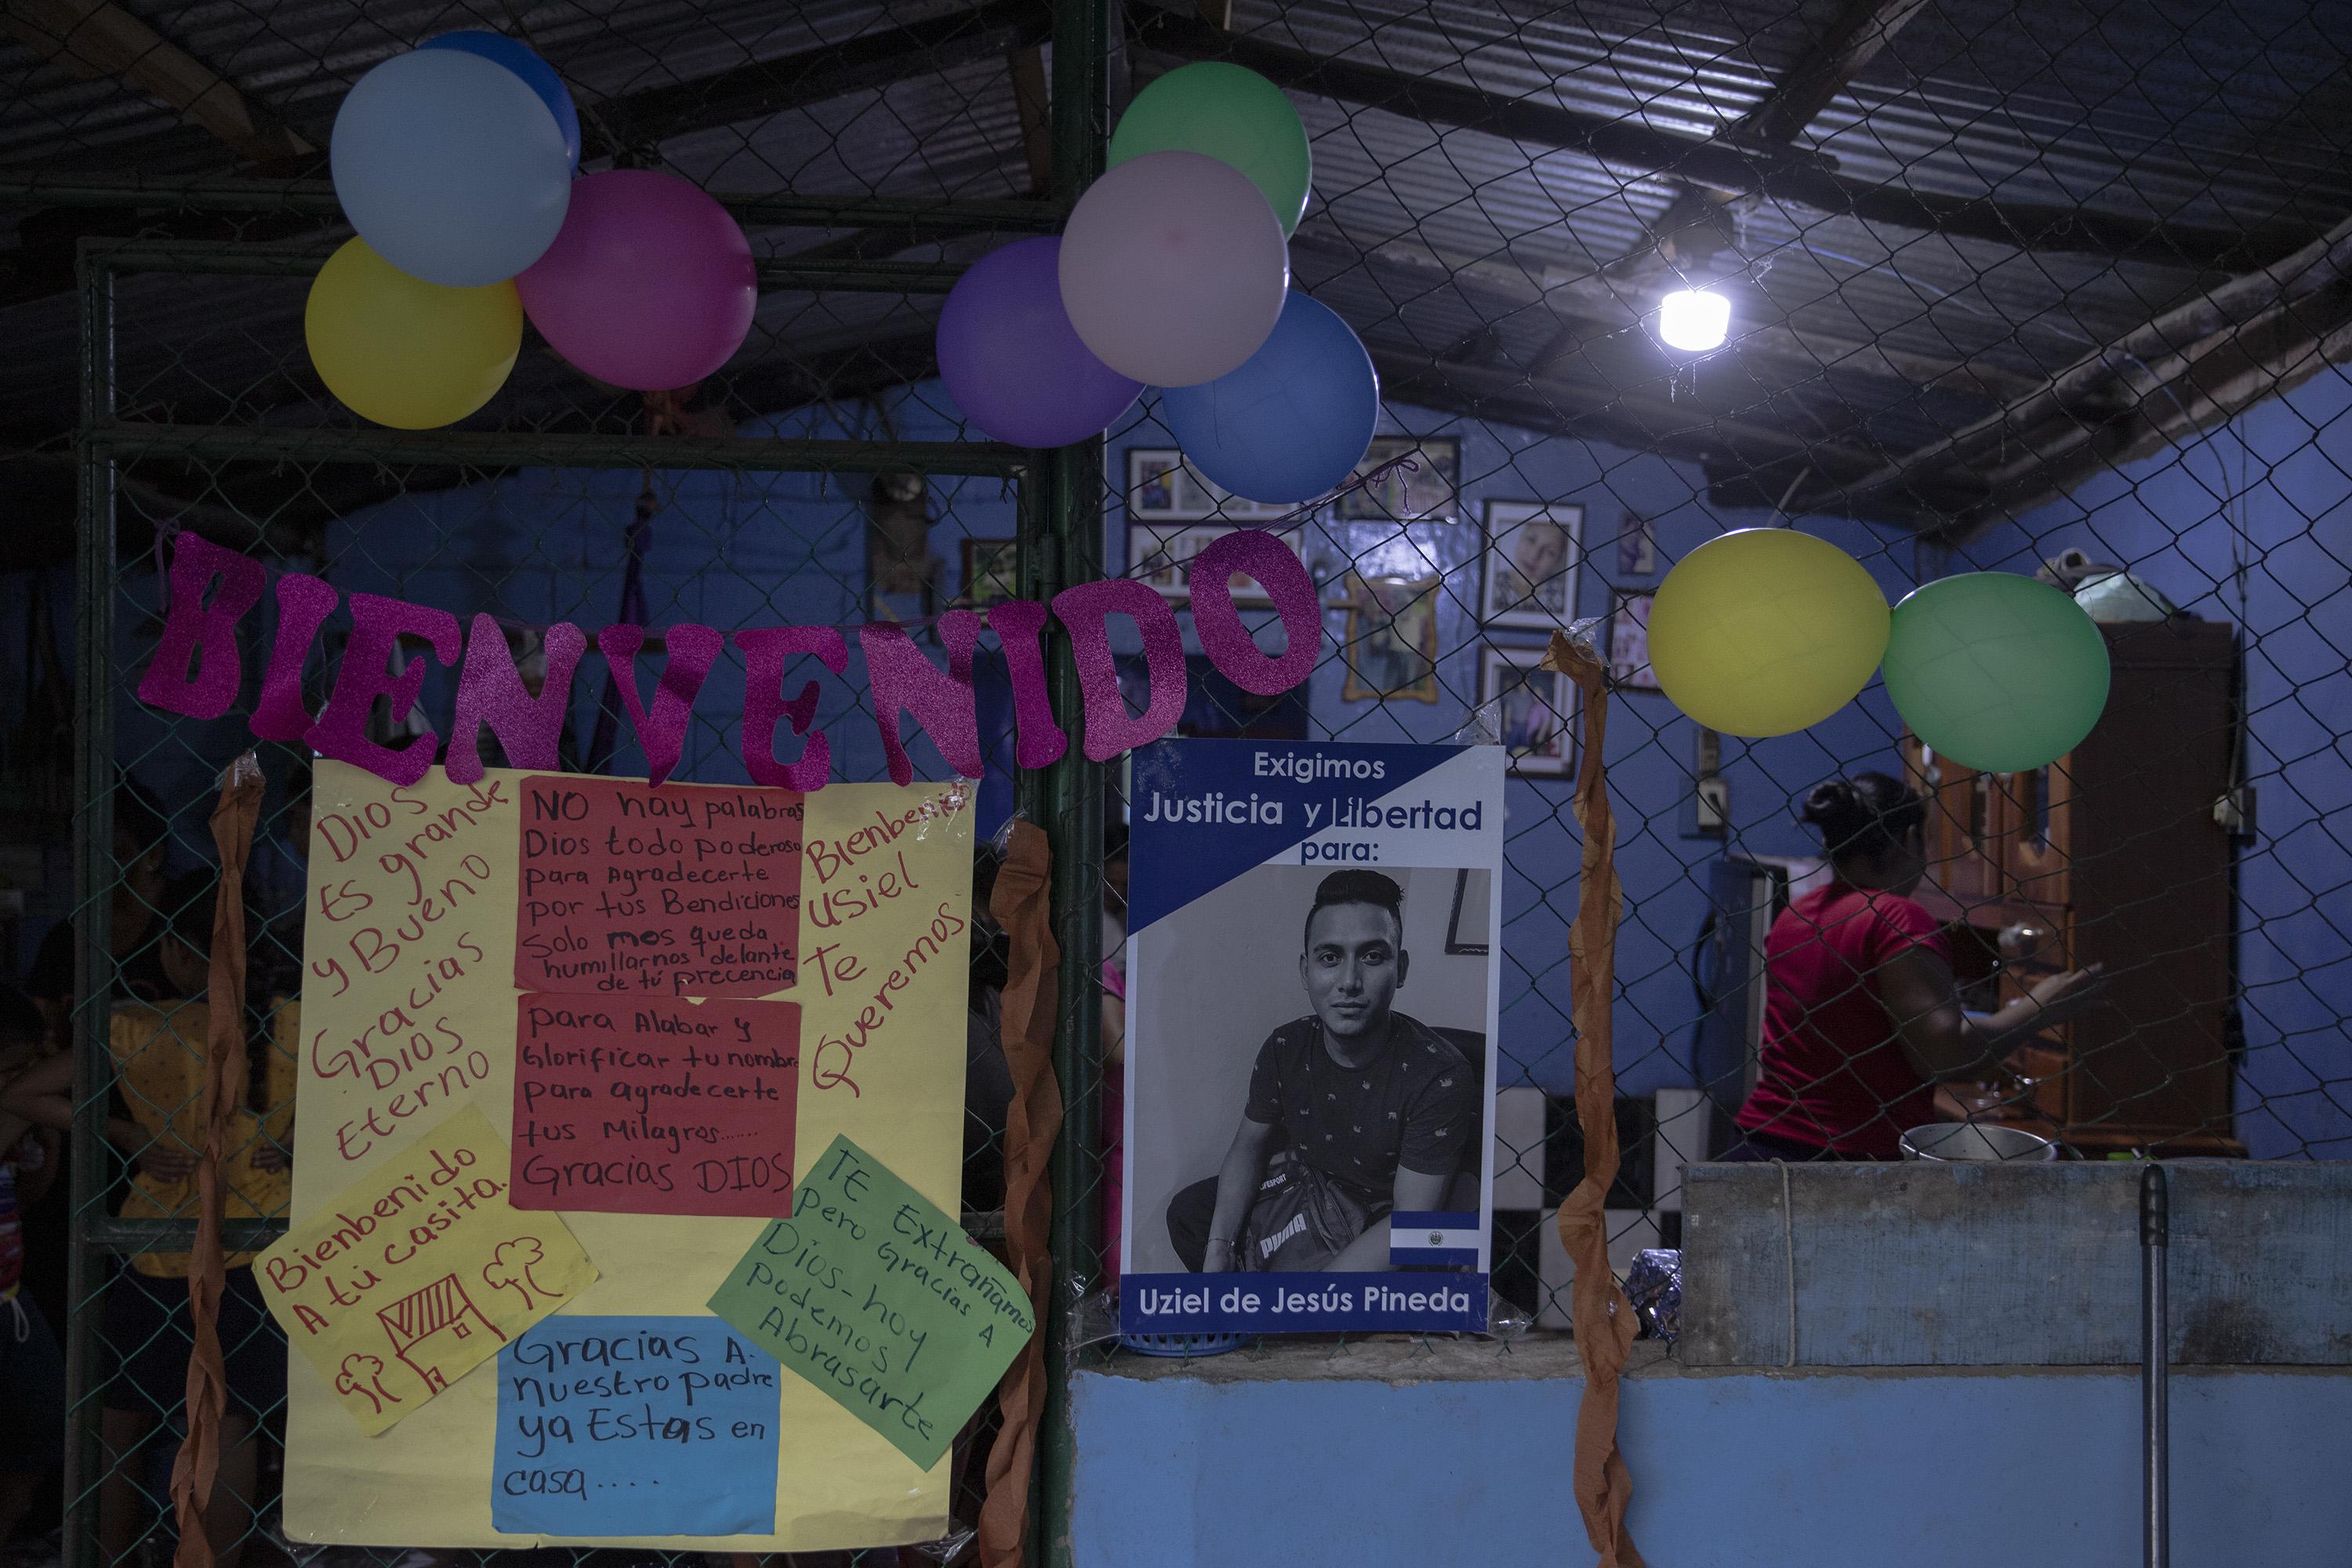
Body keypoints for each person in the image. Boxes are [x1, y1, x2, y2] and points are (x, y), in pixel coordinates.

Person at [1731, 773, 2107, 1160]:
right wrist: (2041, 1007)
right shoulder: (1894, 915)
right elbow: (1945, 1053)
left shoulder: (1798, 915)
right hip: (1843, 1158)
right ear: (1910, 838)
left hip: (1762, 1143)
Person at [99, 870, 288, 1568]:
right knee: (230, 1424)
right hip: (258, 1249)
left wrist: (129, 1138)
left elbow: (29, 1090)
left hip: (157, 1248)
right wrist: (294, 1144)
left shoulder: (138, 1027)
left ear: (177, 951)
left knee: (122, 1423)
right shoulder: (296, 1025)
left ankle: (108, 1554)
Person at [1165, 870, 1477, 1273]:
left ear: (1400, 969)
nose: (1349, 982)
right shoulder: (1285, 1047)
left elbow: (1411, 1220)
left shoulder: (1439, 1073)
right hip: (1314, 1191)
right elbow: (1249, 1145)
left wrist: (1314, 1299)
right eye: (1330, 958)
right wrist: (1219, 1249)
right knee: (1192, 1215)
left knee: (1418, 1260)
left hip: (1383, 1216)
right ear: (1305, 971)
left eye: (1372, 956)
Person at [0, 986, 69, 1547]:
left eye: (29, 1068)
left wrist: (46, 1136)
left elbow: (29, 1197)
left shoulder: (18, 1117)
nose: (20, 1081)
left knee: (46, 1424)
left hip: (11, 1297)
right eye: (12, 1068)